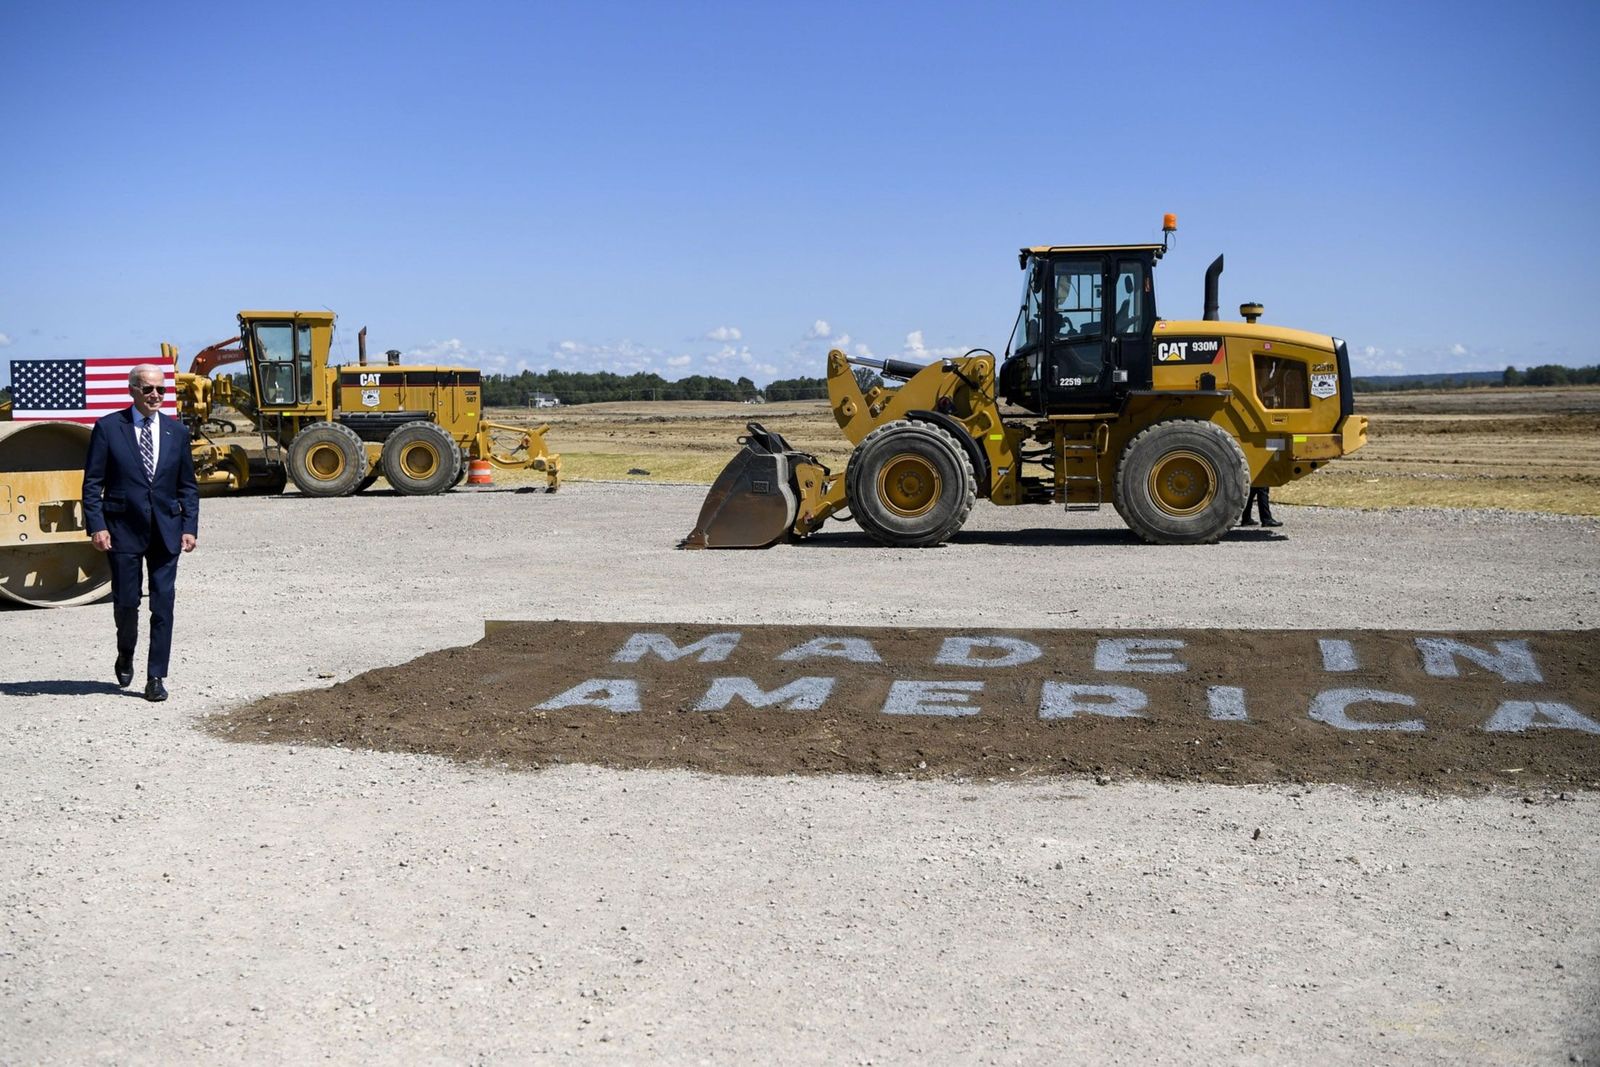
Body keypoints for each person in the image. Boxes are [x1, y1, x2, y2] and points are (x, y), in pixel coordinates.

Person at [82, 364, 200, 701]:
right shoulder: (108, 428)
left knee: (163, 605)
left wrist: (189, 526)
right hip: (121, 531)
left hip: (167, 531)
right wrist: (98, 525)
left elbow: (187, 486)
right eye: (148, 389)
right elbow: (92, 484)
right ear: (132, 389)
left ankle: (156, 677)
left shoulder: (176, 433)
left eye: (161, 390)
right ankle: (126, 652)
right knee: (126, 604)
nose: (155, 396)